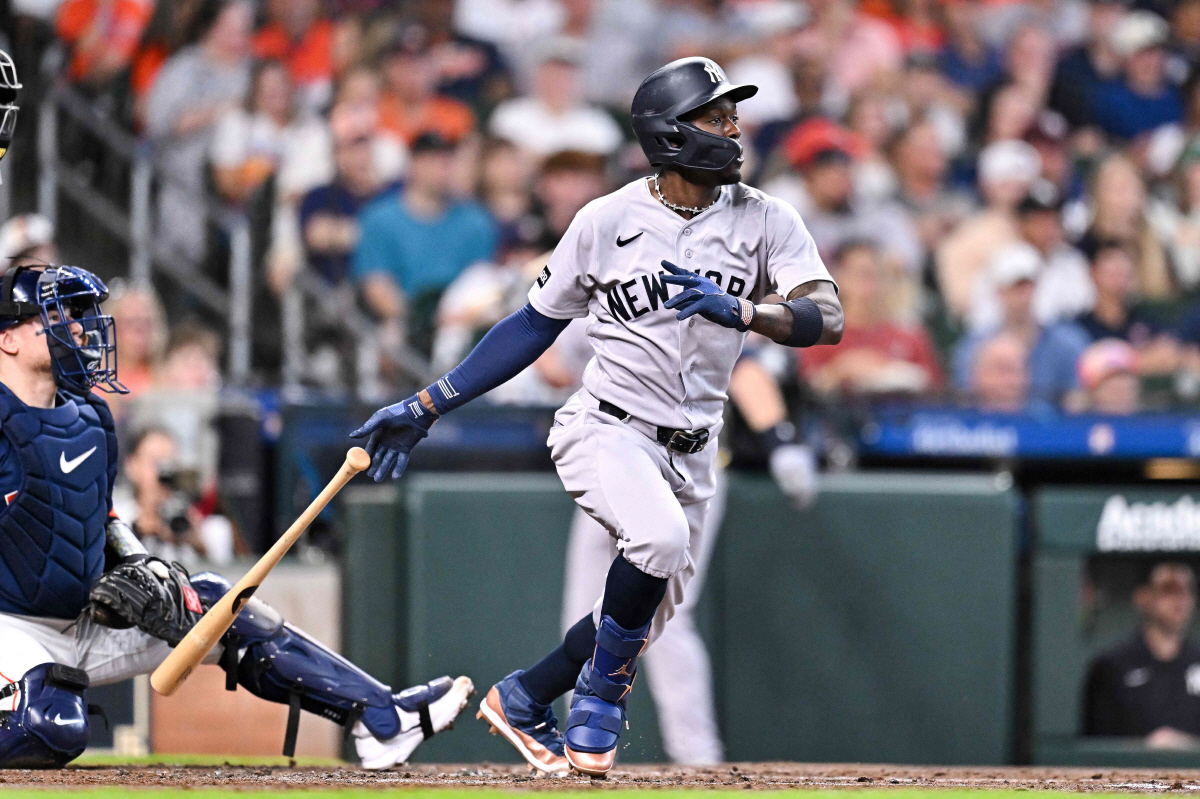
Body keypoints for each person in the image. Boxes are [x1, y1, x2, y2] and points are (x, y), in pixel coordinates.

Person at [351, 56, 843, 776]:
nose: (733, 127)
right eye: (716, 115)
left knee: (644, 618)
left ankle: (525, 694)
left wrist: (744, 310)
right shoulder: (606, 220)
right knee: (658, 541)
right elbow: (529, 326)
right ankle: (600, 695)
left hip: (697, 449)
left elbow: (826, 317)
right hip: (606, 424)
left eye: (731, 113)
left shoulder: (768, 218)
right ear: (671, 134)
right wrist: (427, 403)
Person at [0, 265, 473, 768]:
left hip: (80, 624)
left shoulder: (90, 417)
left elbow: (101, 513)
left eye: (77, 314)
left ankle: (382, 718)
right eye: (55, 314)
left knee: (217, 604)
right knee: (51, 726)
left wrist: (140, 563)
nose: (76, 326)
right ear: (7, 338)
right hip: (11, 626)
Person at [353, 132, 498, 358]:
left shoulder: (476, 221)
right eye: (432, 161)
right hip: (408, 319)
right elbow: (376, 285)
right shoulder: (380, 218)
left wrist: (457, 318)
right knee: (390, 337)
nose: (442, 169)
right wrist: (419, 320)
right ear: (413, 164)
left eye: (447, 161)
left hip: (462, 320)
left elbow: (482, 283)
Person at [143, 0, 253, 264]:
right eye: (232, 29)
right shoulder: (185, 67)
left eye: (244, 30)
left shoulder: (251, 72)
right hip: (185, 179)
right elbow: (158, 122)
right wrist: (221, 111)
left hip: (239, 178)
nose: (240, 38)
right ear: (211, 28)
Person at [800, 240, 942, 397]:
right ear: (839, 278)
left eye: (879, 275)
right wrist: (840, 370)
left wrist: (895, 370)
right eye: (863, 274)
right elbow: (809, 392)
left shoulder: (910, 335)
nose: (871, 285)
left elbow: (934, 391)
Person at [953, 243, 1090, 406]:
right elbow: (965, 400)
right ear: (998, 290)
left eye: (1028, 286)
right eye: (1015, 287)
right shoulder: (973, 347)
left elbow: (1079, 401)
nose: (1023, 295)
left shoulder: (1067, 343)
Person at [1083, 562, 1200, 745]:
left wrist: (1183, 743)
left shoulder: (1196, 660)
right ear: (1142, 597)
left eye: (1188, 591)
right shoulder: (1112, 666)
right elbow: (1095, 747)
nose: (1181, 601)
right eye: (1169, 590)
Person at [488, 40, 624, 158]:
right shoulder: (510, 115)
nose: (557, 80)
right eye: (550, 72)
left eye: (565, 74)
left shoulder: (598, 125)